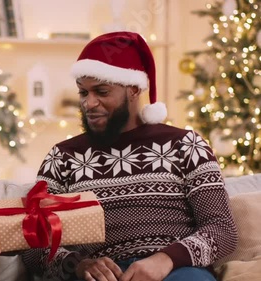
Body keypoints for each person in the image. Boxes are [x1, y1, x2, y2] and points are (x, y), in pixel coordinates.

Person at [21, 31, 238, 281]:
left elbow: (222, 229)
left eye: (101, 92)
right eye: (83, 92)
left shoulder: (186, 145)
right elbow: (33, 243)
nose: (88, 103)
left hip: (177, 272)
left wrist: (166, 259)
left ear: (134, 89)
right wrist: (79, 265)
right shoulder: (63, 157)